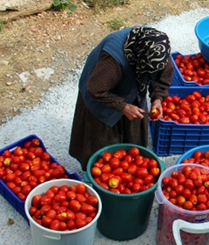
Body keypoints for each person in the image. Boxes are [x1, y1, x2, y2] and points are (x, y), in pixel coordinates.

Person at [69, 26, 173, 170]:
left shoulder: (158, 53)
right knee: (101, 139)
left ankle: (127, 167)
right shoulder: (113, 60)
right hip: (101, 90)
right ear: (139, 60)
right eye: (146, 69)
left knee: (133, 132)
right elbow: (96, 89)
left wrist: (157, 98)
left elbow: (163, 75)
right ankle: (98, 174)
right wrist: (123, 106)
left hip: (132, 86)